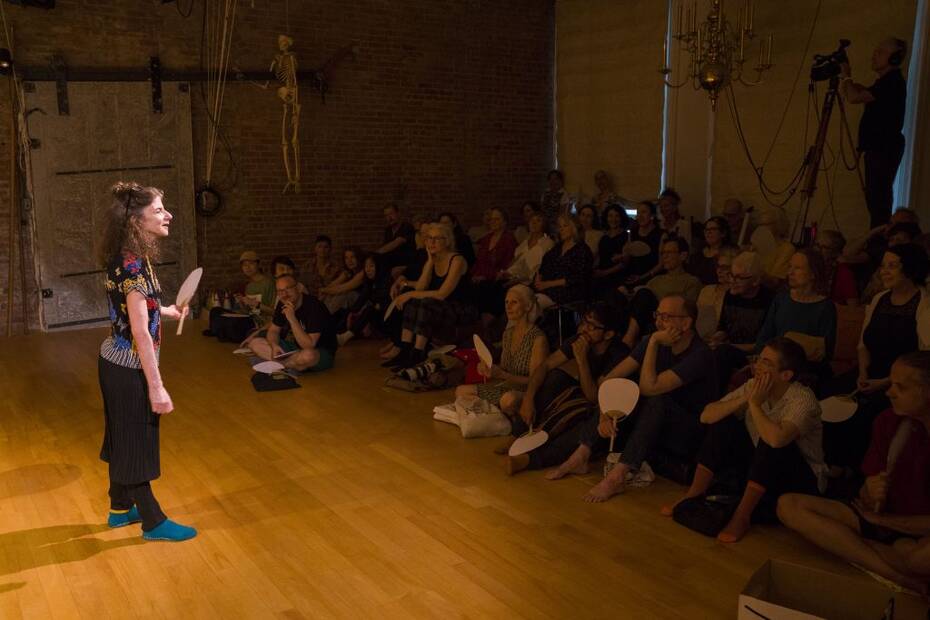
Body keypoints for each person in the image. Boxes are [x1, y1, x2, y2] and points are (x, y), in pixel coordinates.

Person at [777, 351, 930, 595]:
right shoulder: (887, 421)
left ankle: (847, 545)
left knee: (920, 560)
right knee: (788, 505)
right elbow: (865, 497)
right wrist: (869, 489)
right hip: (879, 521)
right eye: (890, 384)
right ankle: (889, 571)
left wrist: (883, 521)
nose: (889, 392)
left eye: (900, 387)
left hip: (915, 531)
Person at [97, 181, 196, 542]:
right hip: (129, 368)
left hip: (113, 361)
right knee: (136, 442)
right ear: (136, 222)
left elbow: (137, 312)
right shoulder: (135, 268)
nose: (167, 214)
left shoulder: (125, 258)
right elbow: (140, 334)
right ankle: (153, 522)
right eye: (158, 210)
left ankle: (119, 509)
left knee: (122, 436)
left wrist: (166, 310)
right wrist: (156, 387)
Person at [547, 296, 717, 502]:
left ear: (686, 322)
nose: (658, 322)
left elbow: (650, 388)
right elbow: (609, 381)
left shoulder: (700, 354)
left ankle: (618, 476)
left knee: (654, 398)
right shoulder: (651, 341)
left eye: (666, 317)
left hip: (687, 429)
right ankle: (581, 455)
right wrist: (604, 415)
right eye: (657, 315)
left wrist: (653, 342)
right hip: (653, 421)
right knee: (623, 390)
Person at [664, 338, 826, 543]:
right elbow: (706, 416)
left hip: (800, 477)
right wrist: (744, 399)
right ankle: (693, 494)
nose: (757, 366)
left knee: (772, 438)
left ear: (786, 375)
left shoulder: (802, 400)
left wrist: (756, 406)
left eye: (766, 363)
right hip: (760, 467)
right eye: (759, 359)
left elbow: (777, 440)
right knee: (724, 422)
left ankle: (742, 516)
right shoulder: (753, 385)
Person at [825, 244, 930, 471]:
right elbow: (863, 345)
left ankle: (853, 470)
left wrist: (884, 382)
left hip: (901, 380)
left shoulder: (924, 304)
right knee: (827, 393)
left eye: (892, 266)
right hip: (868, 372)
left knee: (866, 412)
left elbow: (923, 359)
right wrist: (862, 373)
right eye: (883, 266)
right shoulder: (879, 299)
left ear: (910, 269)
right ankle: (826, 462)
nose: (884, 272)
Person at [506, 303, 629, 470]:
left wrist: (581, 360)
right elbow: (545, 366)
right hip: (580, 396)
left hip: (605, 410)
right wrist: (528, 399)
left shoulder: (618, 354)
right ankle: (517, 435)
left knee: (584, 426)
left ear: (608, 334)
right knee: (555, 377)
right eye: (584, 322)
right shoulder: (581, 340)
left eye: (592, 326)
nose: (584, 329)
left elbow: (594, 397)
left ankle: (531, 460)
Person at [386, 222, 475, 369]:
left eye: (437, 238)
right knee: (415, 299)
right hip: (441, 306)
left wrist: (409, 294)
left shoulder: (457, 260)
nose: (432, 242)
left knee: (425, 302)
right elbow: (421, 287)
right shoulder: (433, 259)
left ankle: (418, 353)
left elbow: (442, 294)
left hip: (461, 308)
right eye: (429, 238)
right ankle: (405, 350)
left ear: (447, 241)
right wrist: (429, 262)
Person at [841, 38, 909, 228]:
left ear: (894, 59)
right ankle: (877, 238)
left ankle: (878, 243)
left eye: (880, 52)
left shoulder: (891, 82)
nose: (874, 55)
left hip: (882, 149)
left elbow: (854, 97)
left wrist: (847, 76)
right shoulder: (888, 83)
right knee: (877, 200)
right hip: (881, 149)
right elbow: (867, 93)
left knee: (878, 202)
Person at [455, 285, 548, 417]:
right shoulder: (508, 334)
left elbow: (535, 380)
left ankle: (491, 413)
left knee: (508, 400)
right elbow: (504, 367)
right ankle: (493, 413)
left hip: (525, 392)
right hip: (505, 387)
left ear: (528, 306)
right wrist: (489, 369)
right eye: (506, 302)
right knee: (460, 391)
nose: (508, 306)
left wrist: (503, 375)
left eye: (514, 302)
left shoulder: (538, 338)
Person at [755, 249, 837, 366]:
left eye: (797, 268)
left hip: (806, 369)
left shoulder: (825, 307)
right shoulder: (781, 300)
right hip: (774, 365)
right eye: (790, 267)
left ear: (813, 273)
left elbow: (826, 352)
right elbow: (763, 338)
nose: (790, 272)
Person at [708, 252, 776, 390]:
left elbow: (761, 345)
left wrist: (727, 346)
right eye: (732, 275)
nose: (732, 281)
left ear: (756, 281)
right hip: (729, 347)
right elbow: (723, 328)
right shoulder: (730, 295)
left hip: (753, 354)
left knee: (722, 353)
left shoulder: (770, 300)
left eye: (739, 278)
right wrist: (715, 339)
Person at [248, 273, 337, 372]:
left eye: (288, 289)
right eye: (280, 291)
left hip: (320, 351)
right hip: (295, 349)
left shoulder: (314, 306)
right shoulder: (283, 302)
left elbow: (309, 345)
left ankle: (280, 364)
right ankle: (291, 364)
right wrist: (274, 345)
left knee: (308, 355)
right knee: (254, 343)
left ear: (298, 288)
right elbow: (273, 331)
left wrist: (292, 318)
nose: (284, 294)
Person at [203, 250, 276, 341]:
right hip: (249, 317)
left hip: (259, 322)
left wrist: (257, 304)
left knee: (232, 324)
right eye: (244, 265)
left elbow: (275, 312)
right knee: (216, 311)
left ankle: (221, 331)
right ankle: (217, 331)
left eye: (251, 264)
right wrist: (241, 303)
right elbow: (248, 311)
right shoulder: (249, 286)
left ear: (258, 264)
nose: (248, 267)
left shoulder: (268, 283)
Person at [534, 214, 593, 306]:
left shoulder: (582, 250)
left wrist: (548, 284)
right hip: (547, 287)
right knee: (520, 294)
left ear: (574, 228)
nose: (561, 229)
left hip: (570, 290)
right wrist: (539, 277)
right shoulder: (556, 249)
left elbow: (578, 277)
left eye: (565, 226)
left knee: (533, 302)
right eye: (560, 226)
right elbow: (544, 265)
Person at [470, 207, 517, 321]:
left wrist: (486, 276)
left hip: (497, 278)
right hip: (481, 277)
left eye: (497, 219)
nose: (493, 222)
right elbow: (479, 261)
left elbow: (508, 264)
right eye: (491, 219)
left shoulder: (508, 239)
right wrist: (474, 275)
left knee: (486, 288)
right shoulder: (486, 239)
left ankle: (488, 322)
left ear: (504, 222)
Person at [338, 254, 393, 346]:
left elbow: (386, 305)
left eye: (371, 266)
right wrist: (351, 313)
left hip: (387, 322)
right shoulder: (369, 283)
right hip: (375, 320)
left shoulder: (386, 281)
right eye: (366, 266)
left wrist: (377, 306)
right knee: (346, 311)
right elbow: (360, 301)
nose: (368, 270)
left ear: (378, 267)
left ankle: (346, 336)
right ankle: (335, 335)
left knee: (370, 310)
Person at [694, 247, 737, 340]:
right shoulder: (706, 290)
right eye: (718, 266)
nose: (719, 271)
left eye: (724, 267)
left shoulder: (736, 295)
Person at [504, 210, 553, 286]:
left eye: (538, 220)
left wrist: (522, 279)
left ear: (544, 224)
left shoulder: (548, 243)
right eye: (532, 220)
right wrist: (505, 273)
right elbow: (516, 263)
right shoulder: (524, 244)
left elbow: (543, 268)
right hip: (514, 278)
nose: (534, 223)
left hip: (531, 282)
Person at [753, 208, 795, 289]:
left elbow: (775, 281)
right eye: (760, 225)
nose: (761, 229)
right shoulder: (756, 246)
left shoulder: (787, 249)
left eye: (766, 224)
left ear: (778, 225)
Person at [624, 201, 663, 286]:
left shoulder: (661, 235)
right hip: (631, 276)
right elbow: (629, 258)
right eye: (638, 212)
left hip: (651, 278)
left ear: (652, 216)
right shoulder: (633, 232)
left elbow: (661, 264)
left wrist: (642, 277)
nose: (640, 216)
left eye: (644, 212)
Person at [815, 230, 858, 305]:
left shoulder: (844, 273)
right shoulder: (811, 267)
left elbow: (853, 305)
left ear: (835, 252)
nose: (818, 250)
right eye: (817, 245)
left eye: (824, 247)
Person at [593, 204, 630, 293]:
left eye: (617, 216)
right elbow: (599, 256)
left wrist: (604, 273)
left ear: (621, 218)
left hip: (616, 276)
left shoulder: (627, 236)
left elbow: (625, 263)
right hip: (601, 273)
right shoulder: (603, 237)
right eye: (610, 216)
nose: (613, 219)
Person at [319, 247, 366, 315]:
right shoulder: (348, 273)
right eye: (346, 258)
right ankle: (320, 313)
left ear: (359, 258)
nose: (349, 261)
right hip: (352, 300)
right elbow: (333, 285)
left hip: (363, 302)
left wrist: (324, 290)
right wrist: (323, 292)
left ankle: (324, 315)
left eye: (352, 257)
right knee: (330, 295)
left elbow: (342, 288)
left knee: (345, 294)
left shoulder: (362, 273)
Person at [689, 216, 734, 285]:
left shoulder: (730, 254)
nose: (709, 232)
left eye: (713, 229)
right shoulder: (696, 255)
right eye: (706, 230)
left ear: (723, 233)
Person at [376, 203, 417, 277]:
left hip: (405, 263)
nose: (389, 217)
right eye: (386, 215)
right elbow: (386, 247)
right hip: (392, 262)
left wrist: (376, 254)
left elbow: (397, 242)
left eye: (391, 214)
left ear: (398, 213)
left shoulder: (406, 227)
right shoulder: (388, 230)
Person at [541, 169, 571, 235]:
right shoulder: (546, 193)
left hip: (556, 226)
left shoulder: (564, 194)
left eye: (555, 179)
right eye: (550, 179)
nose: (553, 181)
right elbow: (542, 209)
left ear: (560, 181)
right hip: (545, 224)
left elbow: (562, 213)